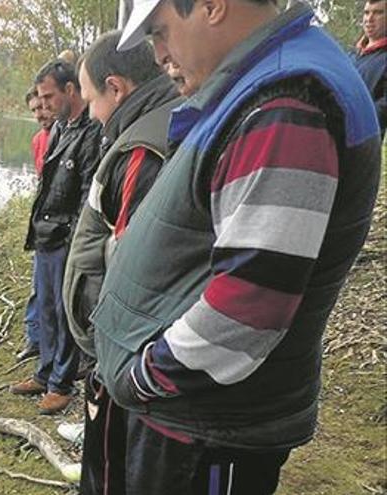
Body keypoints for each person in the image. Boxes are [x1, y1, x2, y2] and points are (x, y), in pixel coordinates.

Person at [88, 0, 381, 492]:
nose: (159, 55)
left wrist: (142, 378)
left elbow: (249, 308)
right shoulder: (252, 86)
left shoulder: (285, 104)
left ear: (212, 6)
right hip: (187, 421)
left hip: (203, 431)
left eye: (160, 32)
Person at [61, 30, 183, 489]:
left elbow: (133, 270)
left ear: (117, 88)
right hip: (128, 355)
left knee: (109, 474)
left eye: (91, 99)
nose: (90, 113)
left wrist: (112, 362)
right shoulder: (154, 125)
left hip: (125, 358)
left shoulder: (142, 150)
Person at [9, 59, 101, 415]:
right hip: (47, 234)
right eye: (40, 98)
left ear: (70, 90)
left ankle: (62, 384)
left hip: (67, 238)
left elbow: (88, 193)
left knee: (65, 313)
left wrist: (78, 241)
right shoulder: (61, 127)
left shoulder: (93, 130)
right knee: (46, 307)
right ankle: (45, 372)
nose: (43, 104)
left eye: (49, 96)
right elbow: (48, 183)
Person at [17, 87, 57, 361]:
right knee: (37, 284)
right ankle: (35, 338)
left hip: (60, 224)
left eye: (43, 107)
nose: (39, 114)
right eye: (33, 110)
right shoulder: (37, 140)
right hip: (43, 220)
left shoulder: (69, 133)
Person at [353, 0, 387, 135]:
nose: (369, 19)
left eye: (378, 13)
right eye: (366, 13)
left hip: (363, 145)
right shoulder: (352, 55)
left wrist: (355, 121)